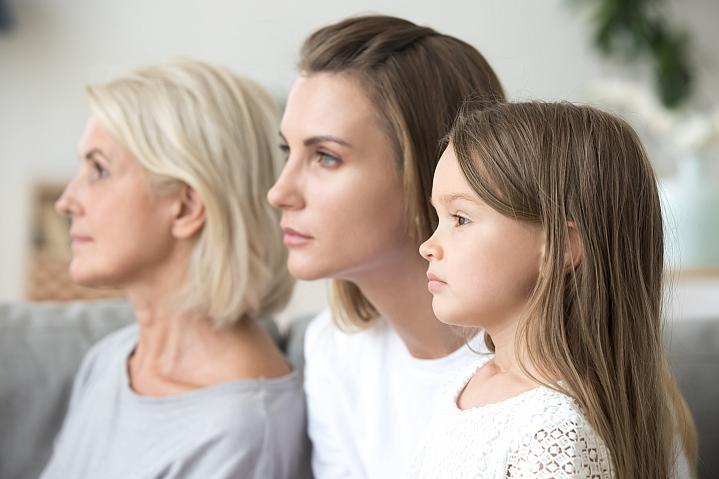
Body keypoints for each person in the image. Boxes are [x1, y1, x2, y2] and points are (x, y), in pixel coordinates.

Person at [41, 59, 311, 479]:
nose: (67, 201)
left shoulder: (245, 429)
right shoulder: (111, 358)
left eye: (99, 170)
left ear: (185, 206)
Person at [267, 15, 505, 478]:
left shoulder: (552, 379)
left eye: (326, 157)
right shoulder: (336, 350)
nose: (280, 192)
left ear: (433, 169)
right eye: (287, 151)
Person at [412, 101, 697, 478]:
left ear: (561, 247)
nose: (428, 246)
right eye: (438, 218)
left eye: (460, 219)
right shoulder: (464, 385)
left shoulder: (554, 433)